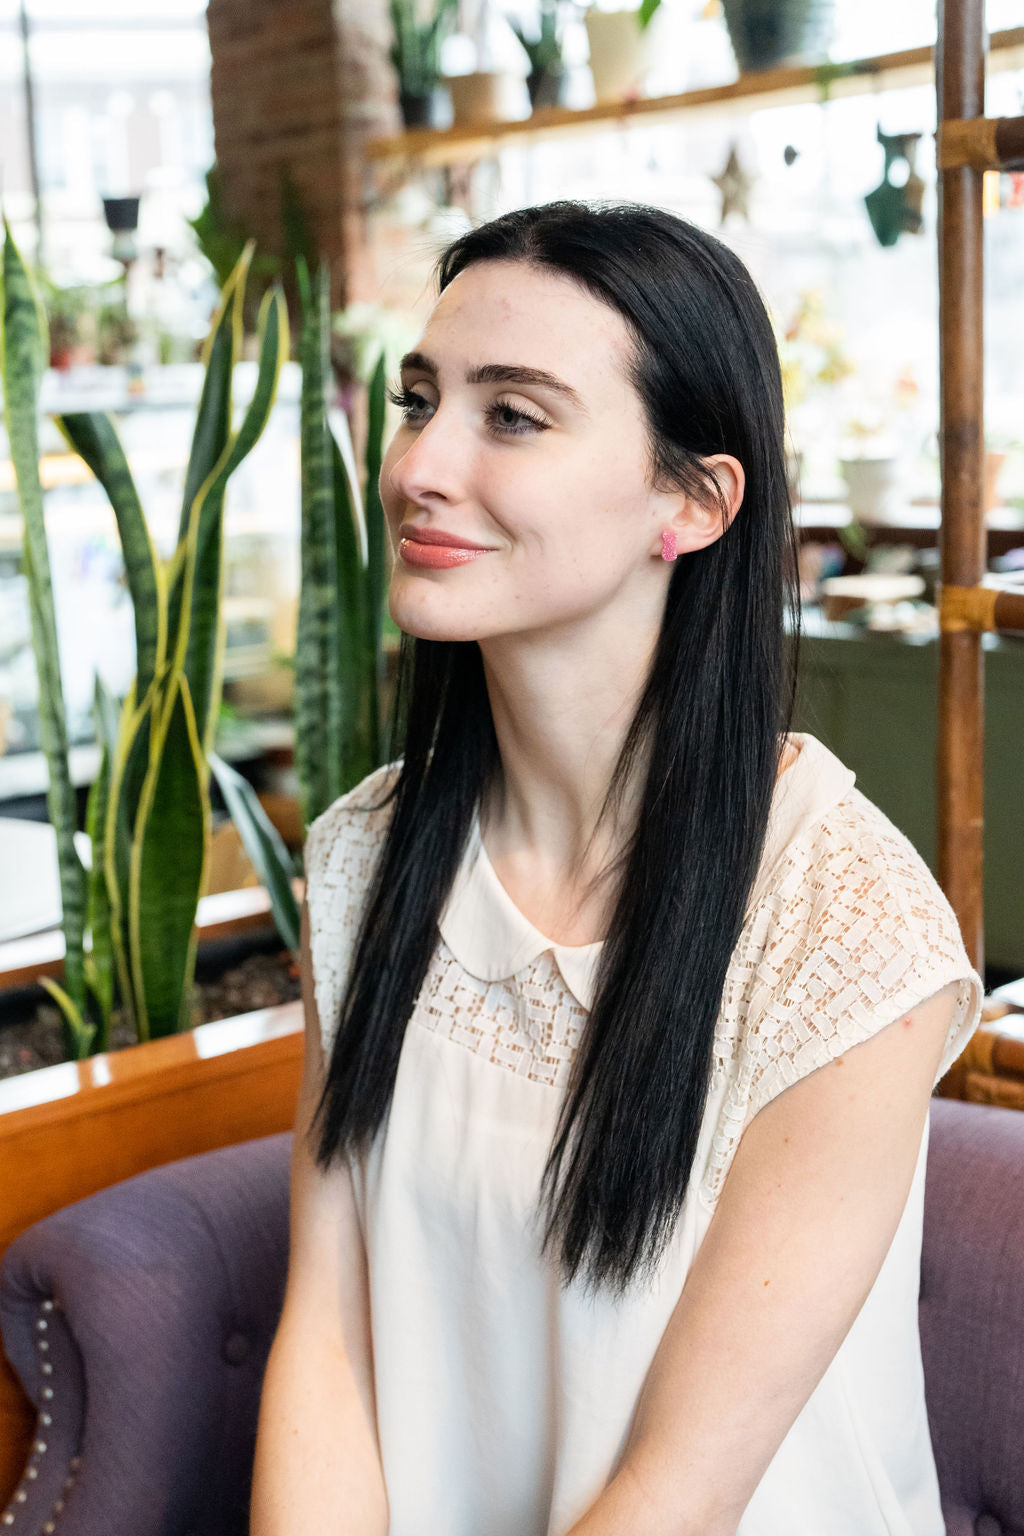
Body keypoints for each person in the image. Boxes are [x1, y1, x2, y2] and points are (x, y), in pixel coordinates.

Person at [250, 200, 983, 1536]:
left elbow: (678, 1495)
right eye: (419, 403)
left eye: (513, 416)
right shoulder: (368, 851)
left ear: (693, 502)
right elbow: (329, 1341)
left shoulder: (845, 926)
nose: (420, 466)